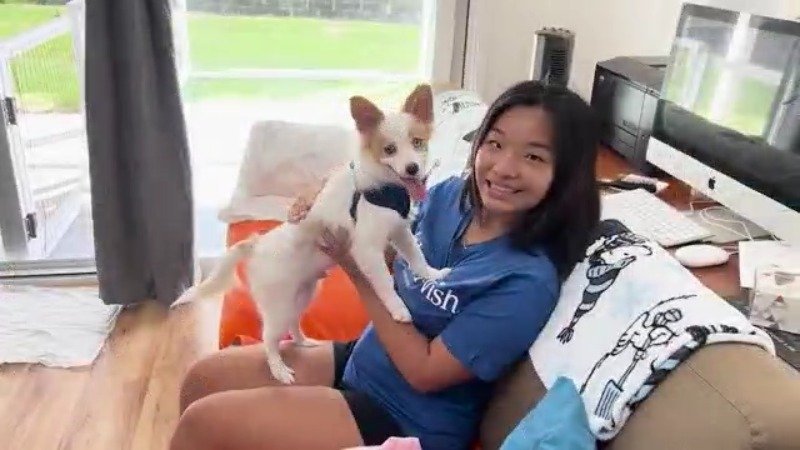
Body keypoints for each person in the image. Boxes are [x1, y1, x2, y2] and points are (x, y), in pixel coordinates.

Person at [170, 80, 601, 450]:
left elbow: (425, 372)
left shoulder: (525, 281)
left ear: (566, 174)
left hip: (406, 417)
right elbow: (386, 235)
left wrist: (355, 267)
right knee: (202, 379)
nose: (504, 167)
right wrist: (332, 203)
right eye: (496, 143)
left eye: (533, 157)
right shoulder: (451, 197)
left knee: (203, 424)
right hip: (367, 358)